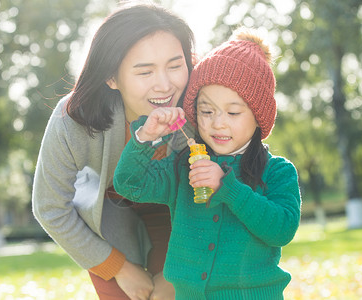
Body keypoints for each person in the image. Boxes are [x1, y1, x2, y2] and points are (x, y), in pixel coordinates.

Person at [113, 31, 302, 299]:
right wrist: (145, 136)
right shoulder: (183, 167)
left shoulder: (278, 171)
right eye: (207, 111)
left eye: (233, 112)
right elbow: (130, 185)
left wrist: (227, 187)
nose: (218, 123)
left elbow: (281, 230)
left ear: (259, 117)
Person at [32, 3, 195, 300]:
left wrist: (177, 268)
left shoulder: (197, 107)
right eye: (145, 71)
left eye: (175, 65)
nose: (165, 85)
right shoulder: (72, 119)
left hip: (174, 214)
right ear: (111, 77)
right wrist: (118, 268)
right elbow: (50, 207)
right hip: (108, 218)